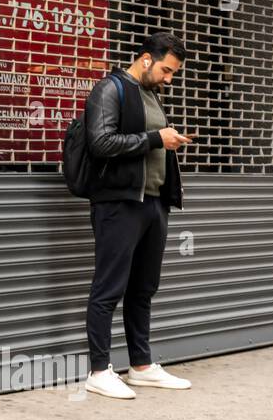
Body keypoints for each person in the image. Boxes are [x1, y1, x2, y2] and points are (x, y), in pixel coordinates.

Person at [82, 31, 194, 399]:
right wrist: (156, 139)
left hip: (153, 203)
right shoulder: (110, 89)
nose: (169, 79)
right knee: (108, 288)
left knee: (143, 288)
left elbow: (152, 141)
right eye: (166, 70)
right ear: (146, 59)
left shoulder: (151, 95)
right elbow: (101, 143)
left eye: (173, 73)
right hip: (119, 203)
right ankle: (99, 371)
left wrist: (168, 140)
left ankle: (141, 366)